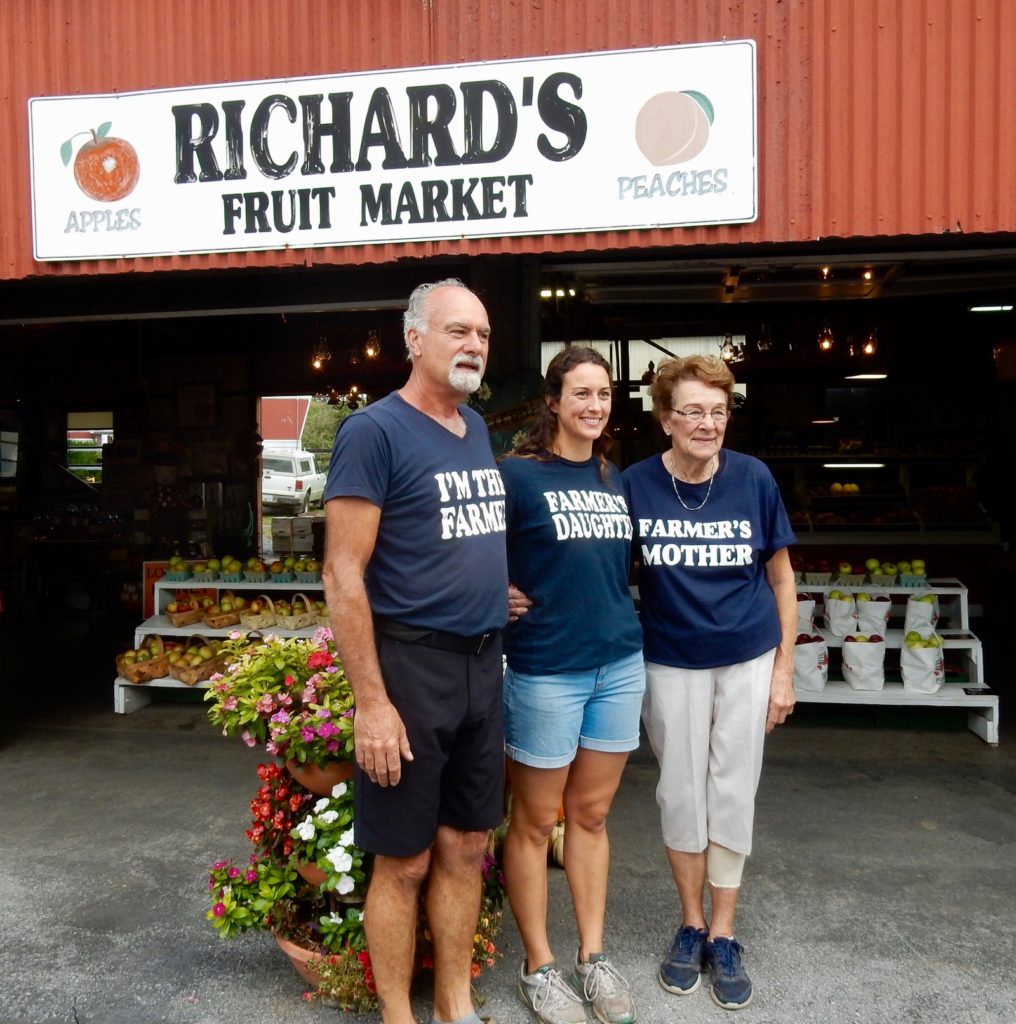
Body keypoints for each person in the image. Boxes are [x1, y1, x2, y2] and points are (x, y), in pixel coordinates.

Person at [322, 279, 508, 1024]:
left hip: (481, 668)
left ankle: (454, 1005)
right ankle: (399, 1013)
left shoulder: (478, 428)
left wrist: (497, 586)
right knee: (404, 858)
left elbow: (457, 533)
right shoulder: (374, 431)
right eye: (458, 330)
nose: (473, 346)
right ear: (414, 338)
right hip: (411, 671)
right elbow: (342, 572)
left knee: (466, 846)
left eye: (484, 335)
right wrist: (372, 702)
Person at [621, 354, 796, 1011]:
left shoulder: (753, 479)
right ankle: (690, 921)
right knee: (679, 792)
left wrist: (784, 670)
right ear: (666, 419)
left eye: (718, 411)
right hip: (669, 658)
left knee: (732, 787)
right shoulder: (635, 485)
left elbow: (781, 576)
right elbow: (601, 567)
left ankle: (723, 933)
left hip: (747, 656)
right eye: (692, 411)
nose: (707, 423)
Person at [498, 346, 644, 1024]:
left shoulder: (618, 479)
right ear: (552, 402)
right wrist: (488, 591)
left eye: (604, 394)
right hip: (546, 670)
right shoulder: (517, 477)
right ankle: (539, 964)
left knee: (590, 817)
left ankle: (592, 957)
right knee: (532, 823)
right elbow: (460, 545)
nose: (594, 405)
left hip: (618, 665)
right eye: (580, 393)